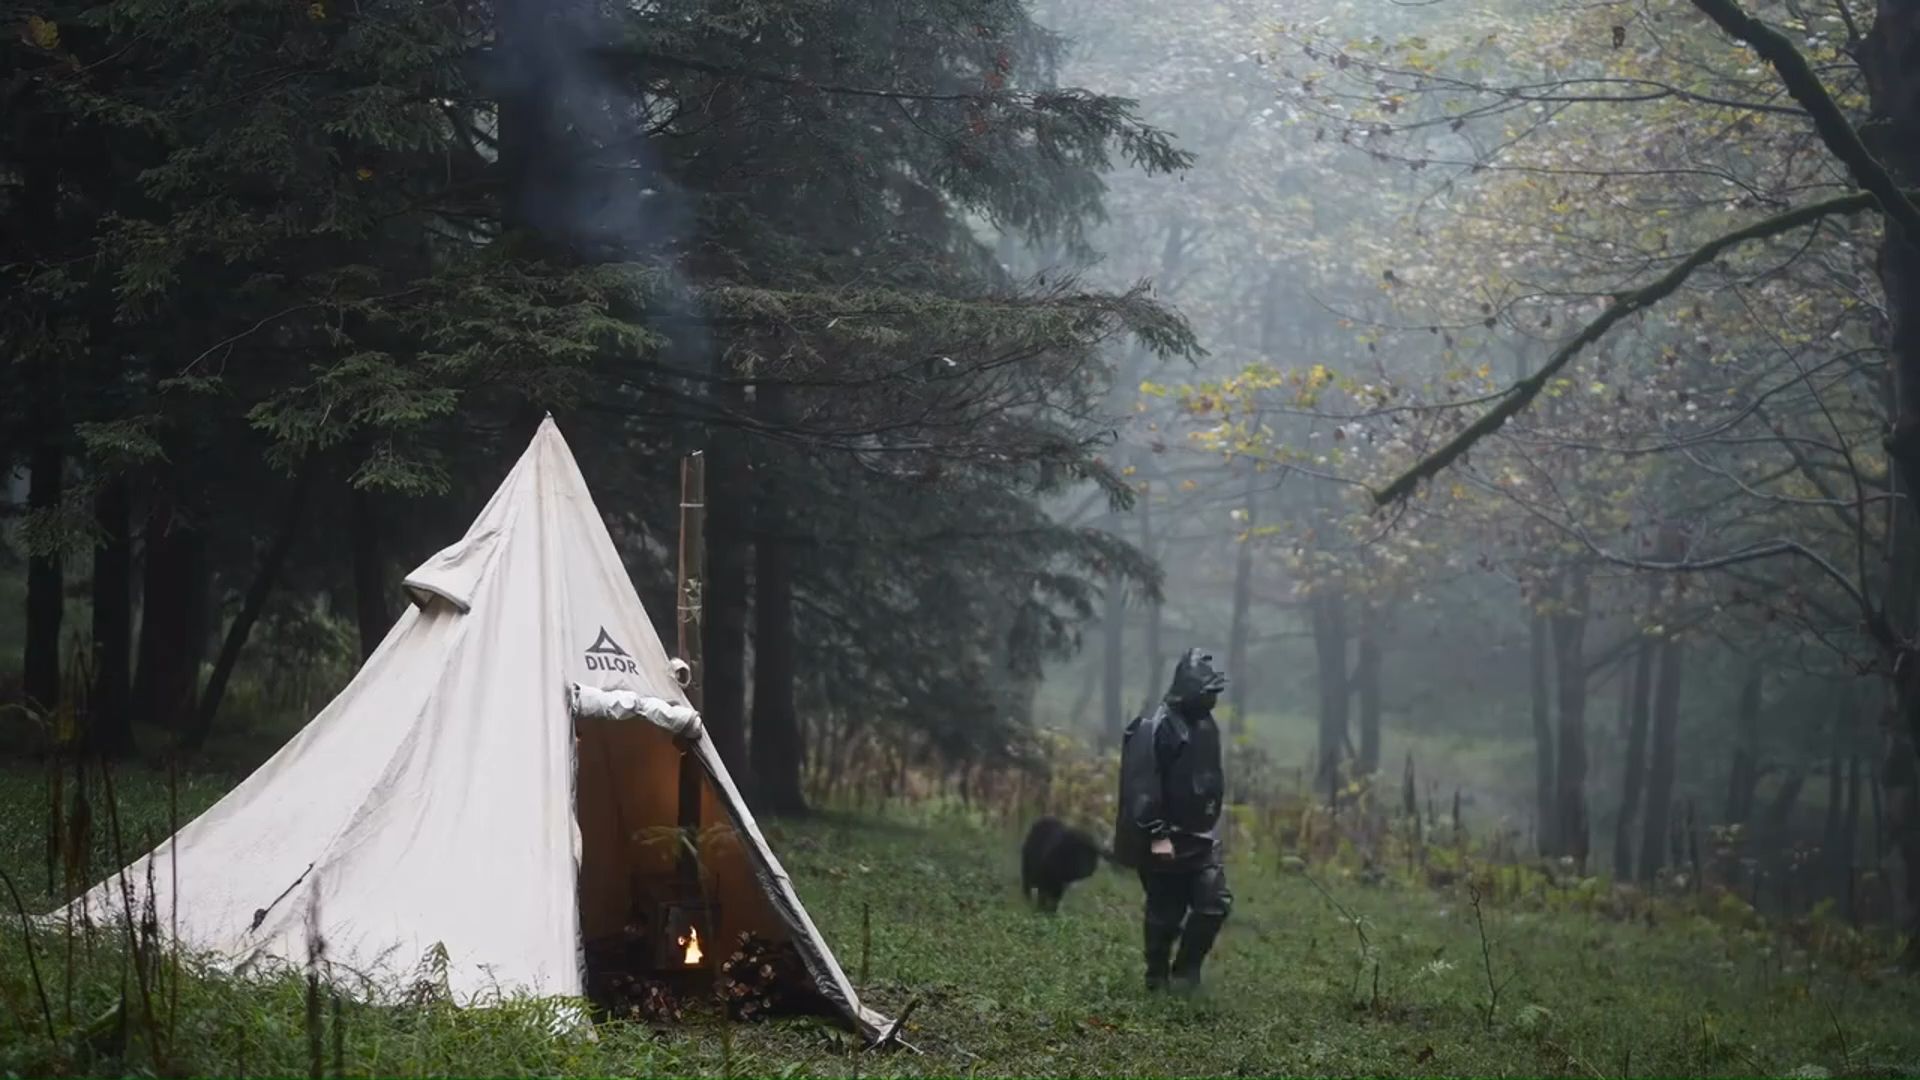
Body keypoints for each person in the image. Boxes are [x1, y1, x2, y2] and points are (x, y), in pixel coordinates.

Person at [1113, 647, 1233, 993]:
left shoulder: (1206, 727)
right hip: (1165, 836)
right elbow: (1142, 787)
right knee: (1165, 911)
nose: (1212, 698)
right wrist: (1156, 835)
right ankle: (1156, 976)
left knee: (1213, 902)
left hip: (1200, 836)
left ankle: (1187, 970)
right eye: (1207, 690)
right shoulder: (1156, 727)